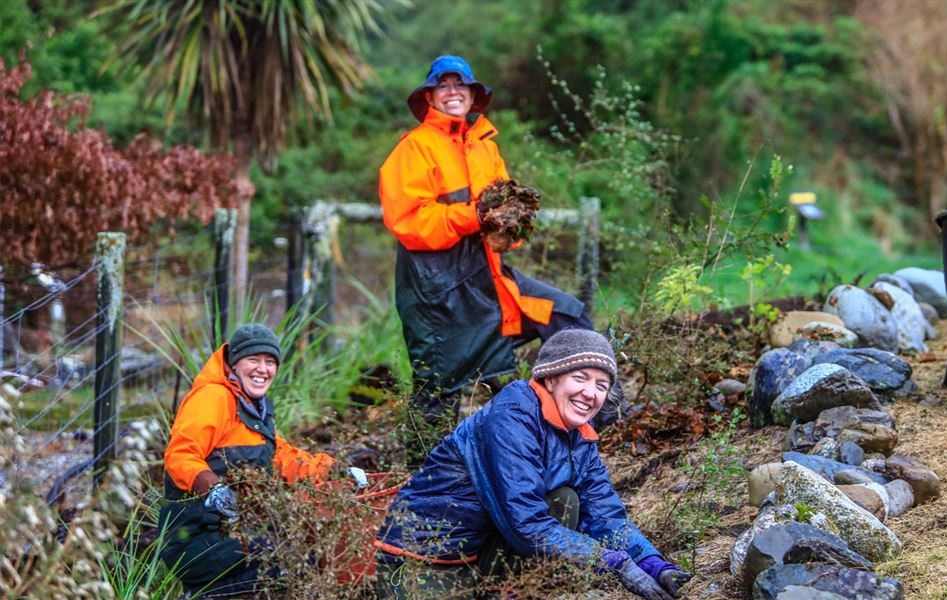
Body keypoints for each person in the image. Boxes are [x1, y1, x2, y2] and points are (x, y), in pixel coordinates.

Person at [378, 55, 621, 426]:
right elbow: (409, 221)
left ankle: (596, 419)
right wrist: (473, 215)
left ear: (474, 96)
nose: (453, 91)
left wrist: (511, 226)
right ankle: (423, 473)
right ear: (430, 96)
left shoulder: (484, 145)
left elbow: (504, 211)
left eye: (461, 85)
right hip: (437, 291)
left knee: (565, 314)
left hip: (487, 278)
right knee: (438, 380)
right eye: (443, 85)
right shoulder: (414, 148)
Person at [374, 329, 692, 599]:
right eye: (580, 378)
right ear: (550, 379)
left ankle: (507, 590)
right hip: (423, 555)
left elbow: (607, 516)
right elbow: (527, 526)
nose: (590, 393)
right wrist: (613, 562)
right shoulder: (513, 414)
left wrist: (655, 566)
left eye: (601, 385)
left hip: (481, 552)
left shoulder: (580, 436)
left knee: (564, 500)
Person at [159, 323, 365, 597]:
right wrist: (214, 489)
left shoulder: (257, 407)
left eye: (270, 361)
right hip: (193, 540)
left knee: (302, 550)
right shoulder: (213, 398)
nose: (262, 369)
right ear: (235, 364)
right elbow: (180, 454)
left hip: (233, 532)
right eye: (253, 360)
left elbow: (283, 457)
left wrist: (337, 470)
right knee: (279, 557)